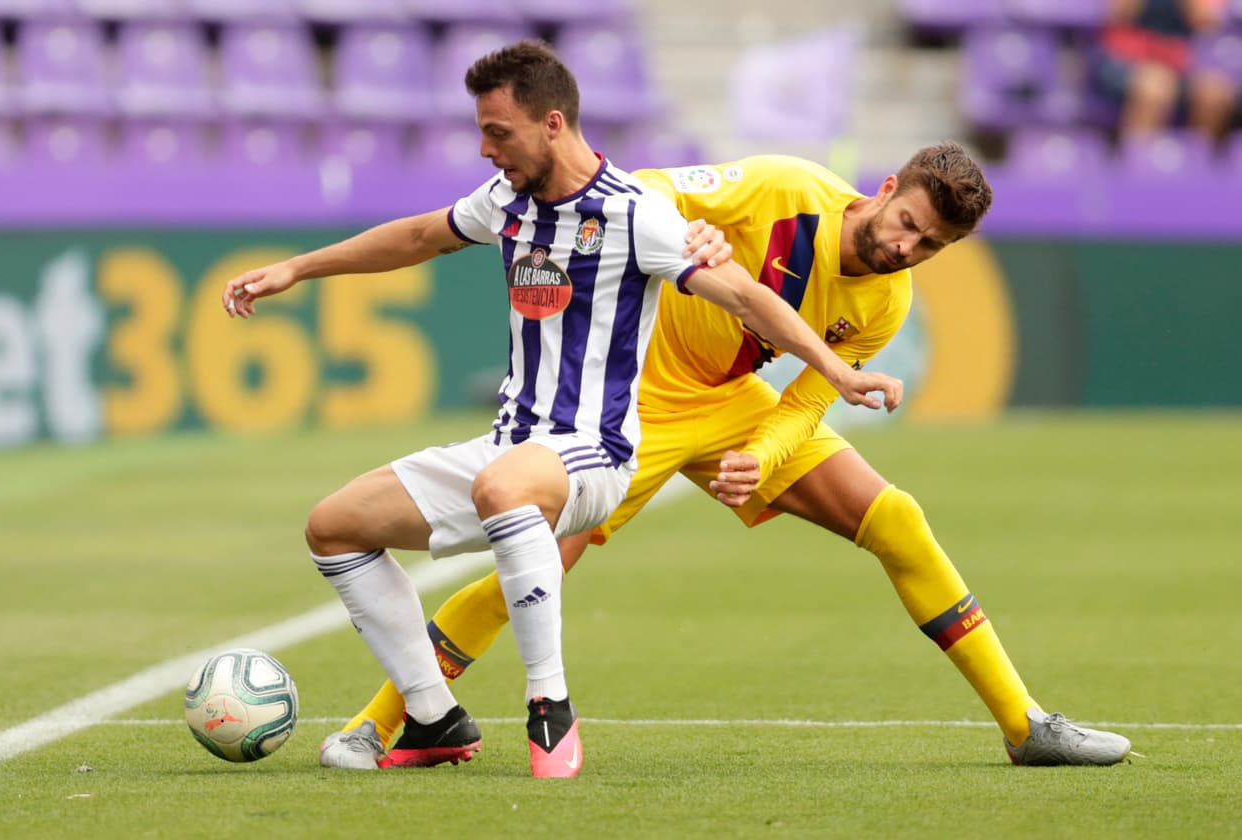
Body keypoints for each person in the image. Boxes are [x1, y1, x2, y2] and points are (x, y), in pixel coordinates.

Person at [319, 145, 1135, 771]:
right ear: (885, 190)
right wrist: (689, 225)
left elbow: (809, 397)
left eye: (932, 245)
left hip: (731, 404)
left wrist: (763, 457)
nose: (909, 247)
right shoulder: (786, 187)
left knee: (896, 519)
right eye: (910, 224)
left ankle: (1026, 726)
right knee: (536, 562)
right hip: (633, 401)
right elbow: (639, 190)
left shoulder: (887, 301)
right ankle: (386, 722)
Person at [221, 41, 900, 779]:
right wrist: (297, 267)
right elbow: (419, 236)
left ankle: (550, 708)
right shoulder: (507, 202)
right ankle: (432, 717)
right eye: (481, 132)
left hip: (595, 451)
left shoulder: (637, 214)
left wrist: (834, 369)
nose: (485, 150)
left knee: (504, 487)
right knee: (335, 528)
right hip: (510, 445)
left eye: (498, 132)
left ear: (551, 123)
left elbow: (744, 295)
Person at [1093, 0, 1237, 144]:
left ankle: (1196, 162)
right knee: (1155, 88)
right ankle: (1139, 161)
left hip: (1177, 63)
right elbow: (1119, 14)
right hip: (1124, 58)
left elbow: (1205, 22)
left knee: (1214, 94)